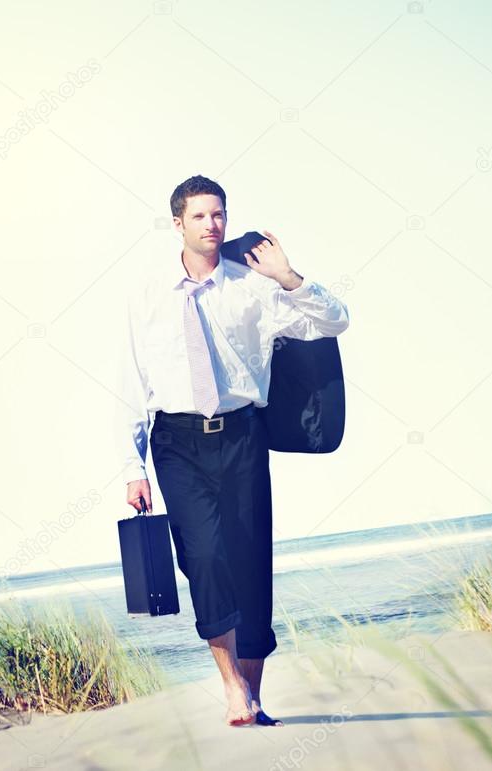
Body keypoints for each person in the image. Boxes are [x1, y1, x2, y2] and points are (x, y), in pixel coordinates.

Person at [114, 174, 350, 727]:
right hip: (176, 442)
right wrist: (133, 465)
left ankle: (255, 695)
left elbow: (334, 321)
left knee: (250, 564)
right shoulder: (147, 294)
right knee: (204, 558)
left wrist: (287, 276)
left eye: (218, 214)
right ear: (178, 223)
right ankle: (230, 685)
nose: (212, 224)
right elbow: (131, 382)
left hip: (244, 436)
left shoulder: (253, 286)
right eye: (199, 216)